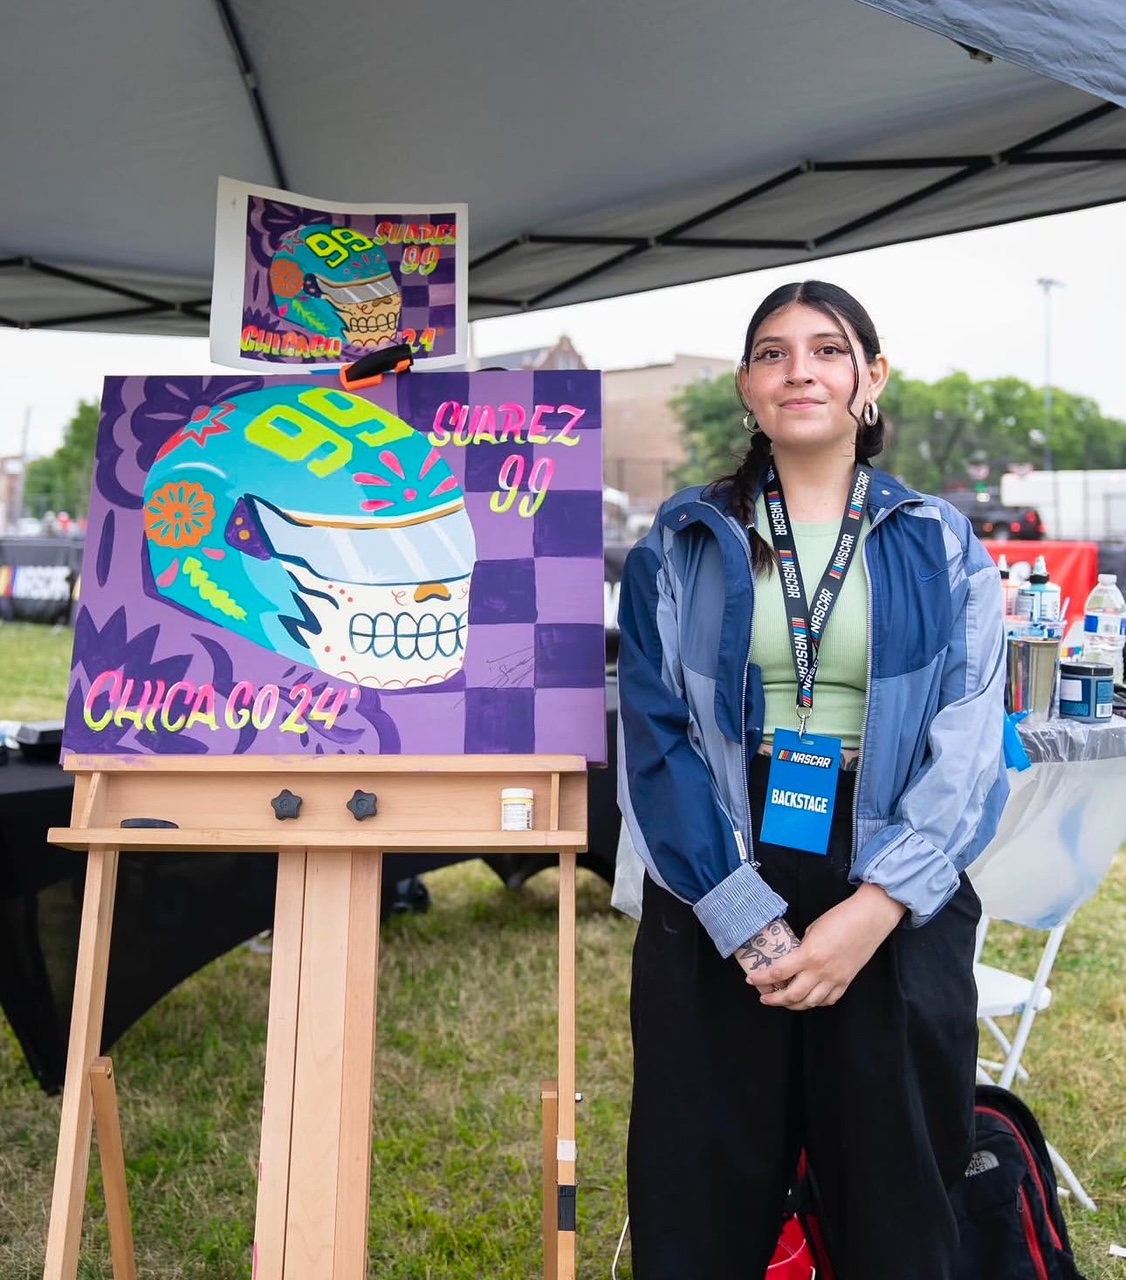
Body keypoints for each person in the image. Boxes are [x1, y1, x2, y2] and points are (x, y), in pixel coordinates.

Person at [616, 280, 1008, 1280]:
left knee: (896, 1203)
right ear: (747, 387)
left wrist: (876, 908)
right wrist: (745, 919)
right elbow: (655, 739)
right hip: (718, 862)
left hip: (889, 869)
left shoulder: (939, 539)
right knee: (697, 1202)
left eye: (828, 350)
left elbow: (971, 740)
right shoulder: (683, 538)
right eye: (773, 352)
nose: (800, 371)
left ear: (871, 377)